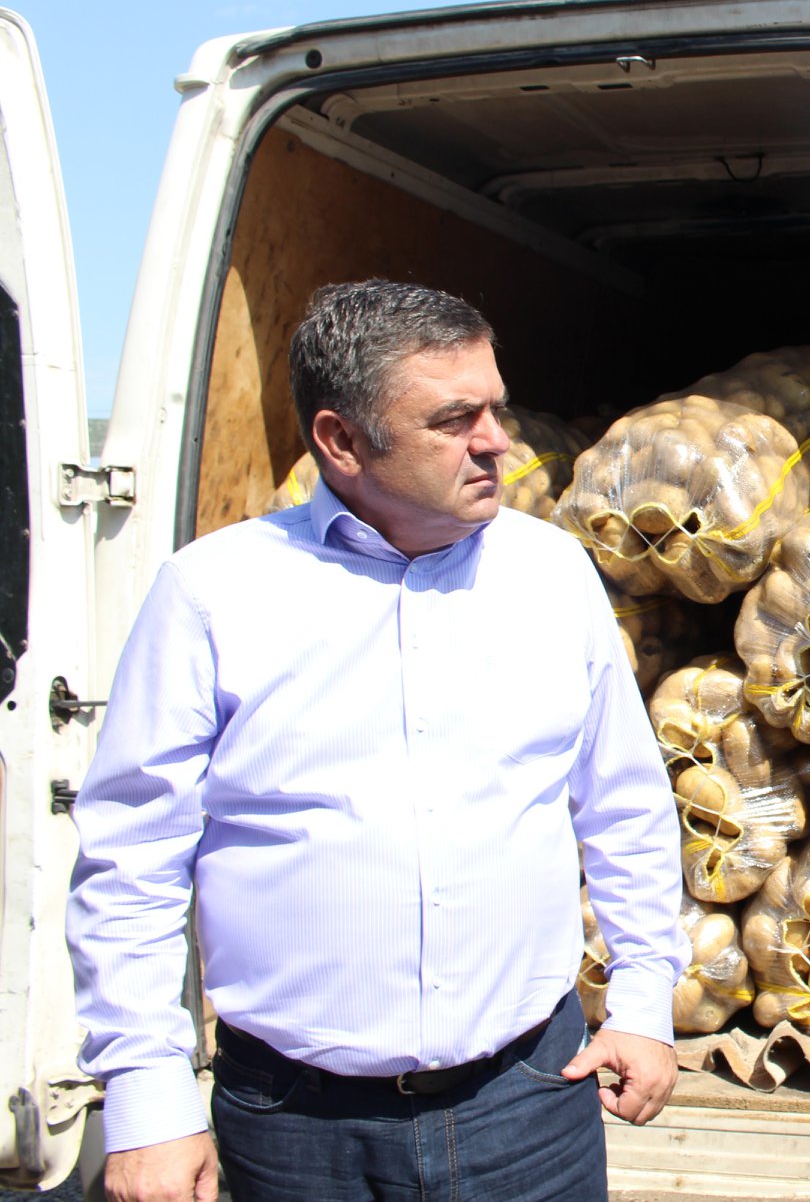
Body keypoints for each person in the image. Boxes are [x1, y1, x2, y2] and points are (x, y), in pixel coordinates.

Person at [66, 280, 688, 1202]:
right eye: (454, 419)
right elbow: (132, 858)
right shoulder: (213, 595)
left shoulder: (552, 574)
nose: (497, 441)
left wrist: (642, 1002)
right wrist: (148, 1097)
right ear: (342, 440)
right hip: (296, 1125)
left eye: (496, 408)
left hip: (527, 1098)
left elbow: (624, 802)